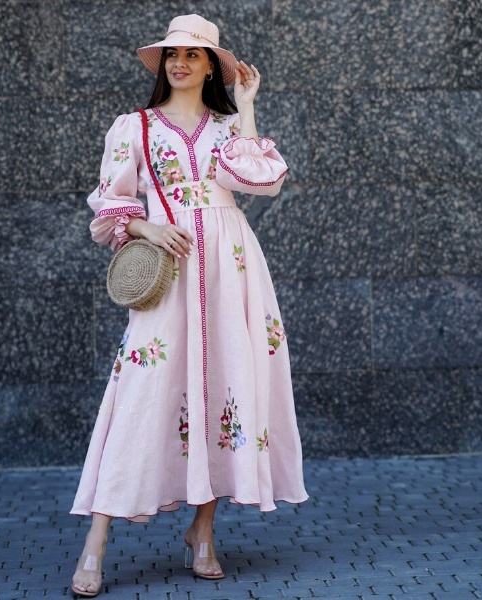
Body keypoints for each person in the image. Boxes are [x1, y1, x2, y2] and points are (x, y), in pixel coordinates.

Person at [69, 13, 309, 597]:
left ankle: (203, 531)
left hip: (231, 267)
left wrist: (247, 106)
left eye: (193, 55)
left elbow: (262, 180)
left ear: (211, 68)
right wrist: (147, 227)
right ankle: (95, 541)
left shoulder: (227, 128)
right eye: (173, 54)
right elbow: (109, 203)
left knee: (226, 383)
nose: (180, 63)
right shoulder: (133, 127)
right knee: (139, 393)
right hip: (169, 269)